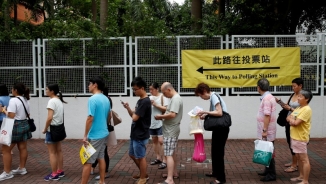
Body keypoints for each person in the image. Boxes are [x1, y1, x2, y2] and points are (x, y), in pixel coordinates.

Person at [195, 82, 229, 184]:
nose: (201, 98)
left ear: (204, 91)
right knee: (215, 151)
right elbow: (215, 113)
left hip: (221, 128)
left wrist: (205, 112)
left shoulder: (214, 97)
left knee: (218, 153)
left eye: (201, 95)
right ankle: (215, 172)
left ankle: (221, 178)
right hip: (219, 128)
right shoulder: (213, 97)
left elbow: (219, 112)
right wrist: (205, 116)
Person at [0, 82, 32, 181]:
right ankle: (22, 168)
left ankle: (7, 172)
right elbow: (27, 114)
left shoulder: (13, 100)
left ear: (16, 90)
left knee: (6, 150)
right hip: (24, 124)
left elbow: (11, 115)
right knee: (22, 147)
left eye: (12, 89)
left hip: (14, 125)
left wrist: (3, 111)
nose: (11, 90)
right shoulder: (25, 99)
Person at [81, 76, 110, 184]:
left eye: (89, 84)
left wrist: (85, 135)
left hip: (95, 135)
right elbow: (108, 115)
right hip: (104, 133)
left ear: (95, 85)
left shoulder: (92, 99)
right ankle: (102, 181)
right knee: (101, 157)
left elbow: (90, 118)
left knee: (88, 162)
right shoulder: (105, 98)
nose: (88, 86)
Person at [122, 77, 151, 184]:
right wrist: (128, 108)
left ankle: (143, 178)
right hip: (135, 133)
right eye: (133, 89)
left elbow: (135, 118)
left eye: (135, 89)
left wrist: (133, 113)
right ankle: (143, 173)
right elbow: (133, 115)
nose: (134, 91)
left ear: (142, 88)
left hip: (140, 134)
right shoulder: (140, 101)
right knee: (132, 154)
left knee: (141, 156)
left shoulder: (145, 102)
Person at [155, 82, 183, 184]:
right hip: (171, 129)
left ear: (169, 90)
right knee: (172, 153)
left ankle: (170, 179)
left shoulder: (175, 99)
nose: (164, 95)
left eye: (164, 93)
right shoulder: (175, 98)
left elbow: (172, 115)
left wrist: (160, 116)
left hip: (170, 130)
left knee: (168, 155)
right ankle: (173, 173)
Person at [275, 78, 303, 173]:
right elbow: (286, 106)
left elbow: (302, 112)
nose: (293, 88)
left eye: (294, 86)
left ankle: (295, 165)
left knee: (294, 143)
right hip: (289, 122)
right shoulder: (292, 95)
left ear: (300, 86)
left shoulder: (302, 97)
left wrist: (290, 109)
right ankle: (293, 162)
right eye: (292, 86)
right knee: (290, 142)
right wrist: (279, 102)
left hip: (297, 123)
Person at [286, 90, 313, 184]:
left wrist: (292, 120)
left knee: (304, 159)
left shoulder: (306, 109)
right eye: (298, 96)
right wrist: (292, 120)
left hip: (300, 137)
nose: (298, 98)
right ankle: (301, 176)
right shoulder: (299, 108)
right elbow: (288, 118)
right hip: (294, 136)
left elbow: (296, 123)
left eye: (300, 96)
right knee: (298, 157)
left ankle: (305, 180)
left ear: (307, 99)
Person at [42, 84, 67, 181]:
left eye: (47, 89)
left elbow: (49, 117)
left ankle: (54, 174)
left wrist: (45, 129)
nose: (46, 91)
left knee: (52, 153)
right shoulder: (59, 100)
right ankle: (60, 171)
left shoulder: (51, 101)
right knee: (59, 151)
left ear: (52, 91)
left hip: (52, 130)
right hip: (59, 129)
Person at [256, 78, 277, 182]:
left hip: (268, 131)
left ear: (258, 87)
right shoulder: (269, 97)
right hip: (269, 130)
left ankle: (271, 174)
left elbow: (267, 115)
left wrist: (264, 130)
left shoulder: (267, 99)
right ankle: (267, 170)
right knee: (267, 151)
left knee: (269, 152)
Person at [91, 87, 112, 180]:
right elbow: (109, 115)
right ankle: (102, 177)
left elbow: (90, 118)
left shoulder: (97, 99)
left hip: (98, 131)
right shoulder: (107, 99)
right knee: (101, 153)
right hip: (104, 129)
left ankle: (102, 172)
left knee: (99, 153)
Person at [149, 82, 169, 169]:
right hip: (152, 122)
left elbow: (166, 108)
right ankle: (158, 157)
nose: (150, 91)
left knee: (161, 141)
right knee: (154, 140)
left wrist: (156, 105)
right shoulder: (149, 97)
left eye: (152, 89)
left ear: (157, 89)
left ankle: (165, 160)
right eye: (149, 89)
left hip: (161, 122)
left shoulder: (163, 97)